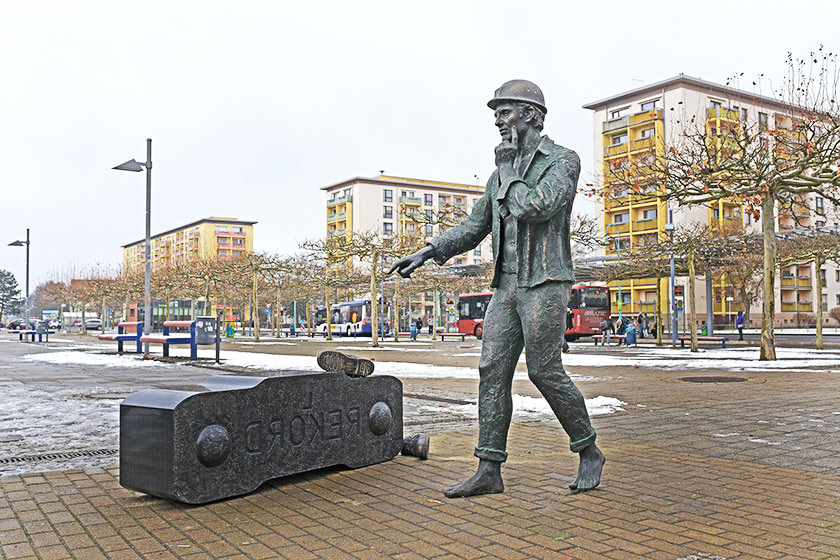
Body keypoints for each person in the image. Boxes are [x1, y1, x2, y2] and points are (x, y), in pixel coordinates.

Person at [389, 80, 604, 498]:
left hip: (545, 281)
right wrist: (430, 251)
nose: (498, 121)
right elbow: (475, 226)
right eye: (496, 114)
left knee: (544, 370)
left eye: (504, 112)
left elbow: (535, 206)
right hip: (507, 286)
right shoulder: (498, 175)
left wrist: (507, 170)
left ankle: (588, 449)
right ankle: (489, 469)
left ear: (531, 114)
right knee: (492, 370)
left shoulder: (562, 161)